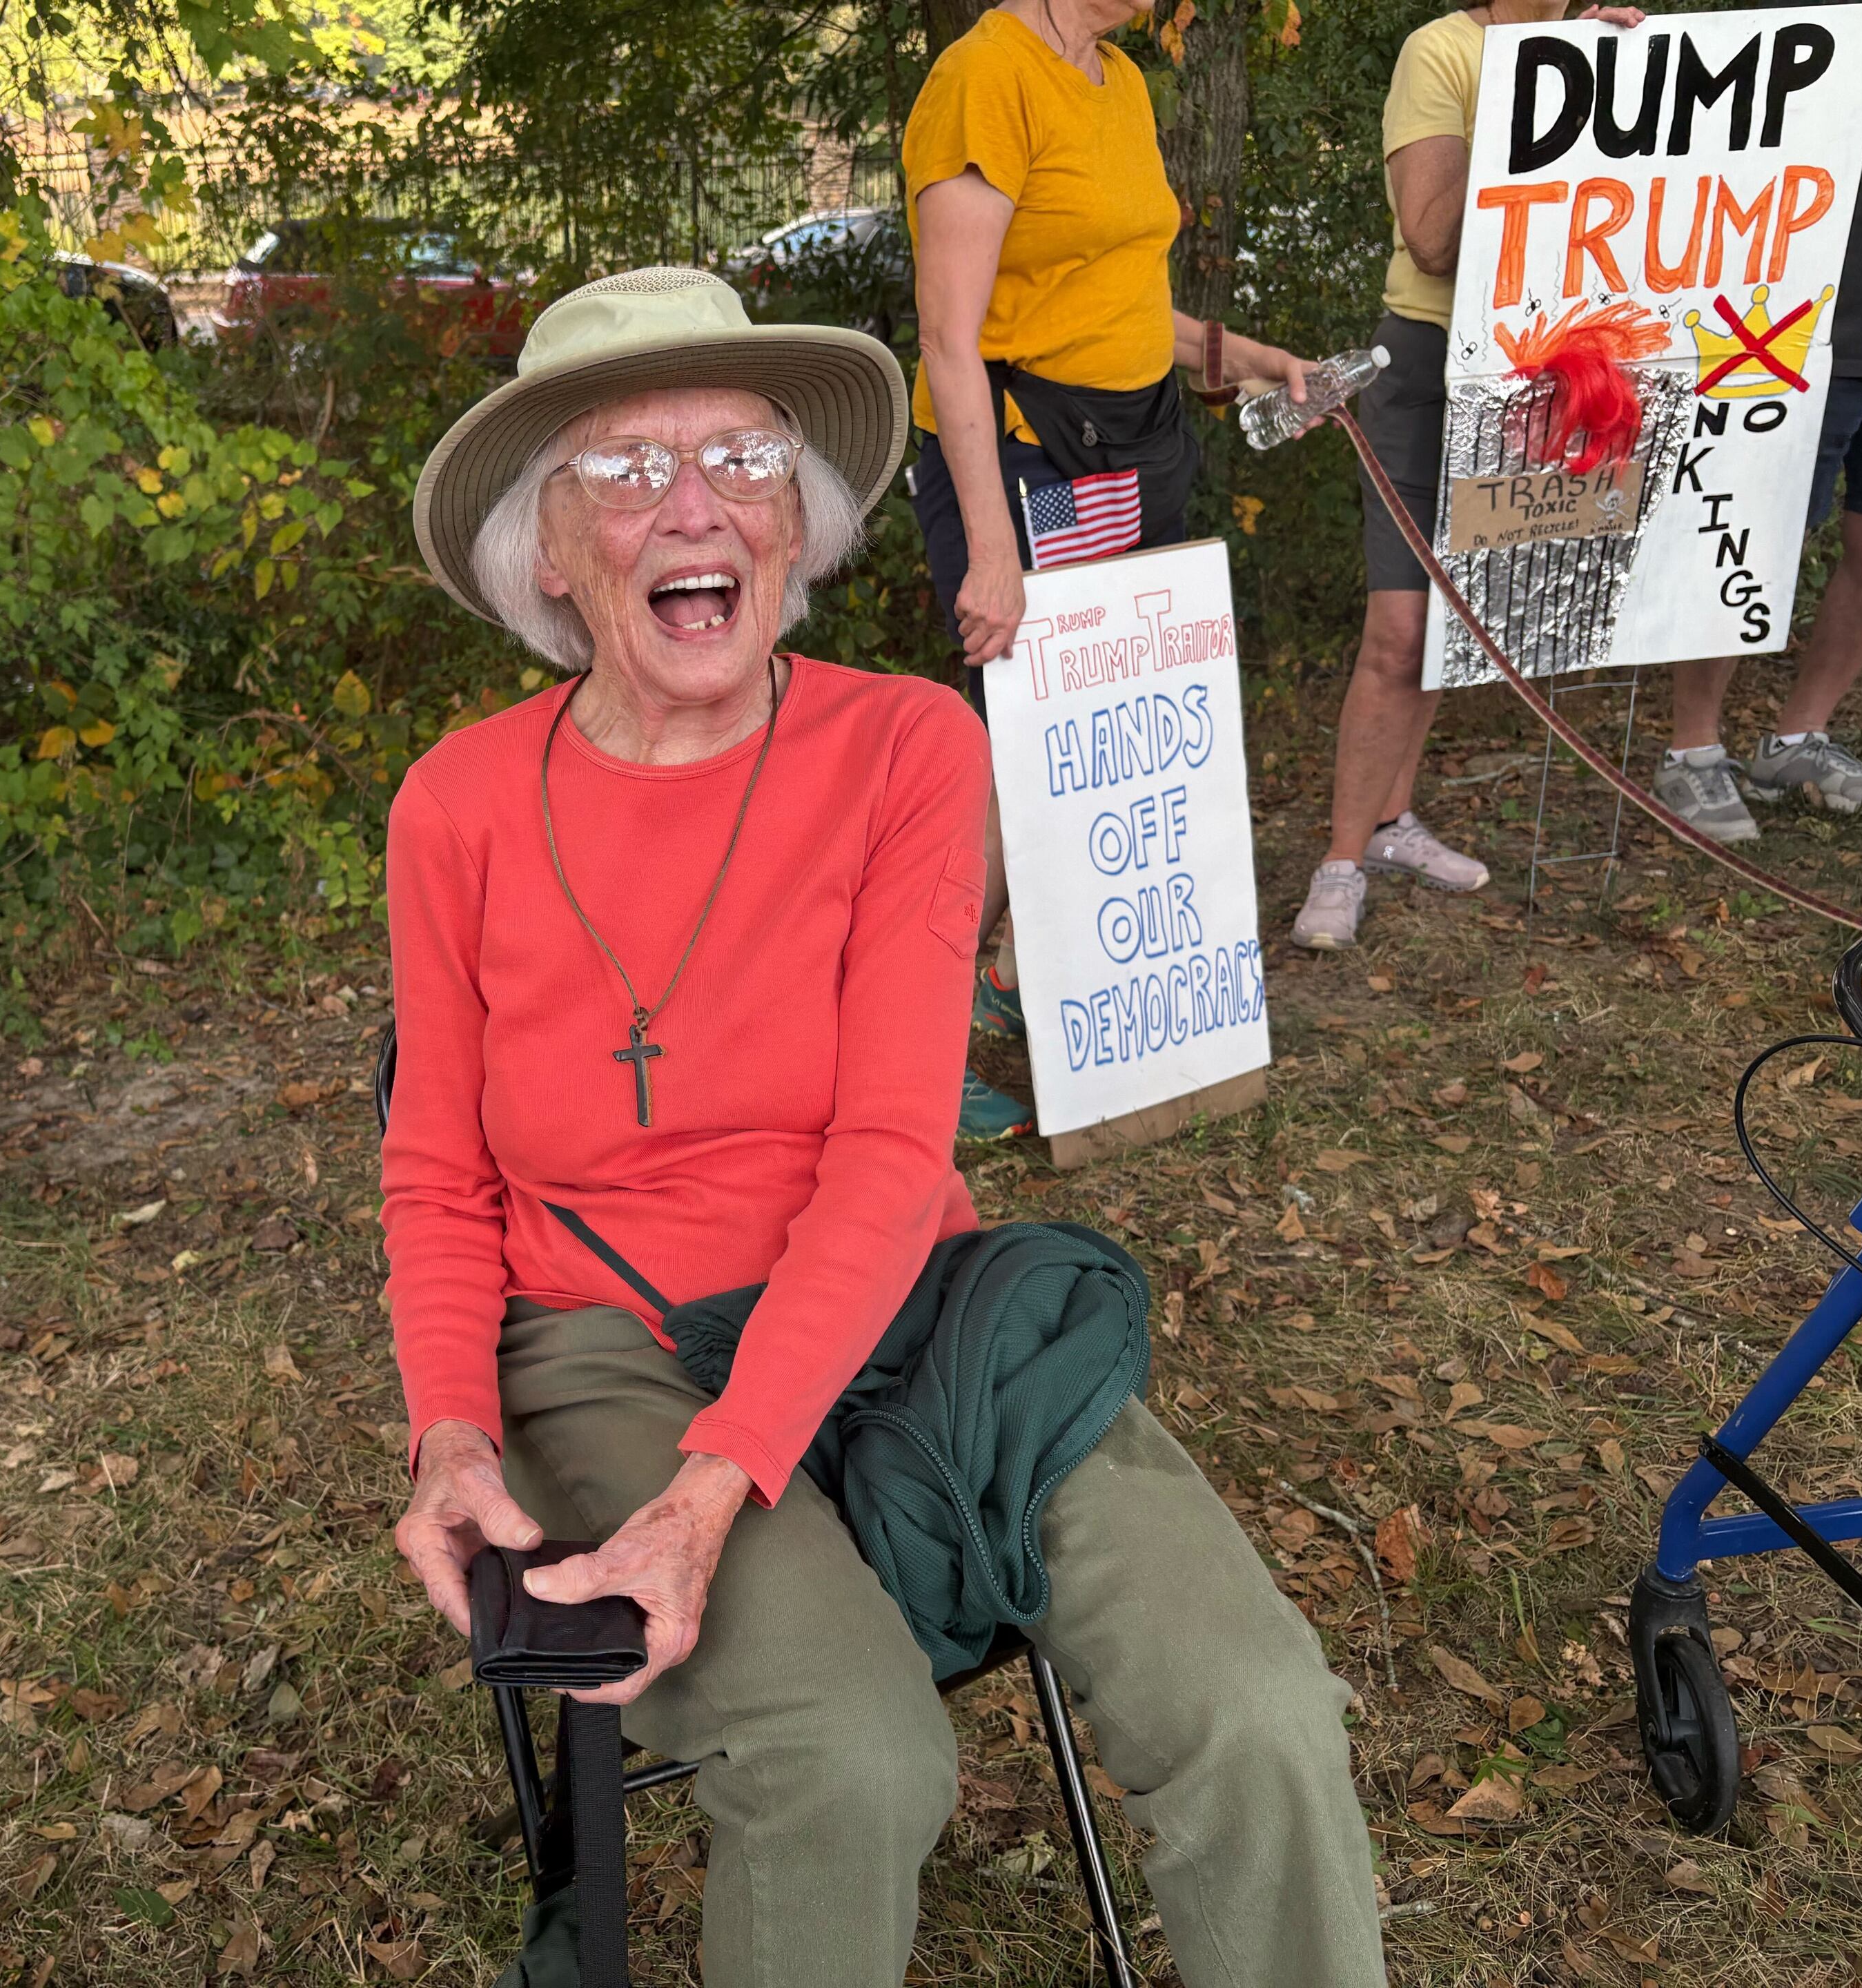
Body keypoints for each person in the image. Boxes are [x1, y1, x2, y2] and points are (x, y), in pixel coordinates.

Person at [387, 266, 1386, 1988]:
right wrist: (452, 1439)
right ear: (546, 550)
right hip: (606, 1339)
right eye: (624, 470)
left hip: (910, 1314)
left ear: (804, 519)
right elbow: (432, 1170)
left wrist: (722, 1487)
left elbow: (883, 1148)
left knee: (1258, 1699)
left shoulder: (909, 748)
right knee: (847, 1756)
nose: (692, 506)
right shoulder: (456, 802)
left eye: (741, 458)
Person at [906, 0, 1318, 1126]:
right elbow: (952, 336)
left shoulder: (1121, 81)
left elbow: (1117, 289)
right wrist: (992, 552)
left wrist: (1259, 361)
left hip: (1127, 449)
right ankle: (912, 1049)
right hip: (1020, 459)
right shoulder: (986, 76)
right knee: (1009, 747)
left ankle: (1021, 979)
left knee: (1089, 743)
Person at [1292, 0, 1647, 951]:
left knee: (1452, 620)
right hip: (1431, 361)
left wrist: (1621, 73)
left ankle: (1391, 823)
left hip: (1535, 369)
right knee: (1400, 627)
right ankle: (1339, 861)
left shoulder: (1599, 50)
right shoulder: (1441, 52)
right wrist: (1546, 83)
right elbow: (1434, 240)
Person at [1653, 0, 1862, 844]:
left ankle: (1797, 740)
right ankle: (1692, 751)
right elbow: (1713, 87)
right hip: (1795, 322)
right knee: (1747, 533)